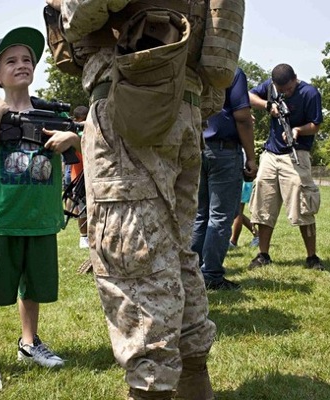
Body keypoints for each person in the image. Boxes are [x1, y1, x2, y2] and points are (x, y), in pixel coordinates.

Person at [54, 1, 225, 398]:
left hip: (129, 102)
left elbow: (84, 14)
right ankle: (194, 386)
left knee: (133, 256)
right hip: (183, 102)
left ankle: (151, 390)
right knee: (177, 254)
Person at [0, 26, 80, 393]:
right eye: (11, 60)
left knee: (32, 289)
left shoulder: (50, 114)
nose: (22, 65)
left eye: (28, 59)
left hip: (42, 220)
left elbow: (83, 153)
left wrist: (73, 138)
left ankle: (29, 343)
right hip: (2, 220)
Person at [247, 64, 325, 271]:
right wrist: (267, 105)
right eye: (281, 91)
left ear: (295, 79)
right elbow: (248, 96)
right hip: (270, 154)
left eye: (289, 89)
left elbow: (316, 125)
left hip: (296, 153)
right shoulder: (270, 88)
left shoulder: (310, 93)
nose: (285, 93)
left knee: (303, 205)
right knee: (264, 204)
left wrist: (298, 130)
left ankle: (312, 257)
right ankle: (263, 254)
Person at [191, 67, 257, 291]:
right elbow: (242, 118)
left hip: (194, 148)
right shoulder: (232, 72)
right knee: (220, 217)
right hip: (224, 151)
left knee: (201, 214)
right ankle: (211, 274)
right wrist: (251, 157)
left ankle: (191, 271)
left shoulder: (193, 68)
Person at [69, 105, 89, 249]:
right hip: (79, 176)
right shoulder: (74, 133)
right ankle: (83, 237)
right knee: (81, 207)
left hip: (91, 174)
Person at [230, 178, 259, 248]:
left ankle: (233, 242)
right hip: (242, 180)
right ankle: (258, 235)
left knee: (238, 212)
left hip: (240, 180)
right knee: (236, 212)